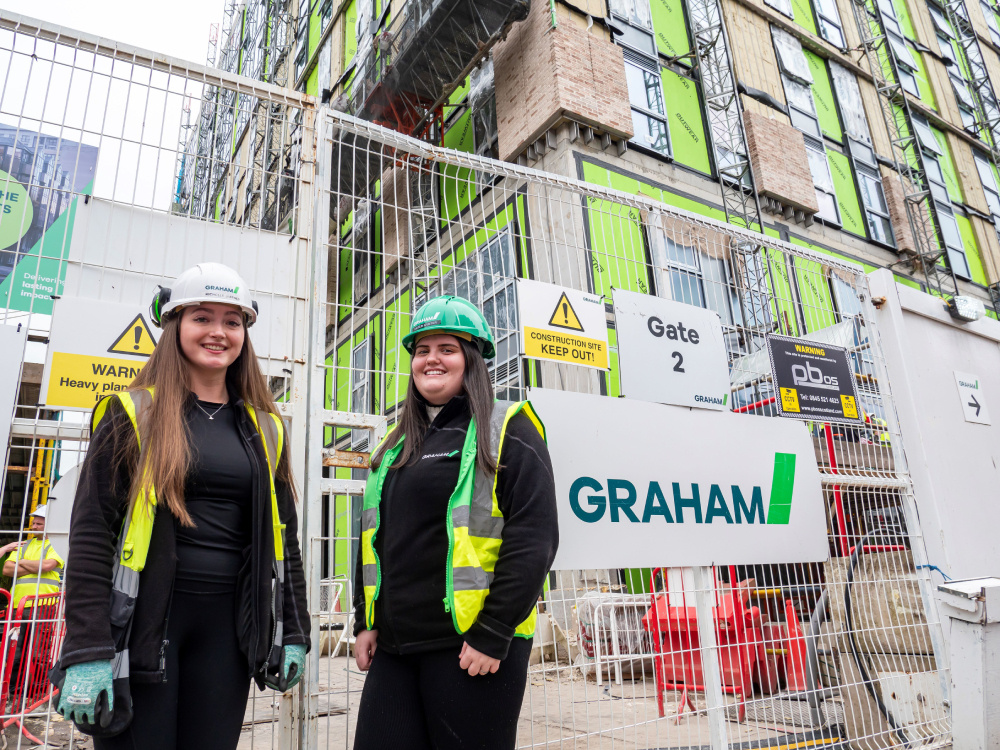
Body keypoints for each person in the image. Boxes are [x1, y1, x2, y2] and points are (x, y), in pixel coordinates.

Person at [53, 263, 310, 750]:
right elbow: (90, 534)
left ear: (244, 334)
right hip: (145, 629)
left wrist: (293, 628)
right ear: (175, 327)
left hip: (228, 636)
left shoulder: (265, 428)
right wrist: (86, 647)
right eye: (202, 318)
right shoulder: (134, 413)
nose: (218, 332)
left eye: (232, 321)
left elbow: (285, 541)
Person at [351, 295, 559, 750]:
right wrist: (363, 619)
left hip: (470, 649)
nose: (431, 359)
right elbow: (373, 538)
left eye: (446, 348)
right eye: (422, 350)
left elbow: (535, 537)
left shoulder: (507, 428)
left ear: (472, 358)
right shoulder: (394, 445)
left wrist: (494, 631)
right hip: (395, 648)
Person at [1, 505, 63, 705]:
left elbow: (47, 566)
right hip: (18, 606)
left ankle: (36, 694)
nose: (33, 525)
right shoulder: (24, 544)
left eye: (38, 523)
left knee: (38, 652)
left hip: (43, 605)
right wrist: (34, 566)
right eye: (34, 522)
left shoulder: (57, 544)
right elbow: (8, 570)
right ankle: (15, 692)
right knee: (14, 650)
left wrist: (22, 563)